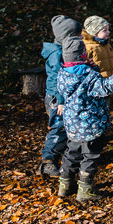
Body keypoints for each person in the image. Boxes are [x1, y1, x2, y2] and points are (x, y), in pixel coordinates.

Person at [57, 35, 113, 203]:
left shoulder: (62, 73)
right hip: (91, 125)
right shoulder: (88, 76)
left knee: (72, 152)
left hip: (73, 125)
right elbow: (105, 88)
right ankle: (85, 189)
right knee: (90, 156)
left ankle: (64, 184)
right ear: (83, 55)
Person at [38, 15, 82, 179]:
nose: (81, 37)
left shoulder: (62, 51)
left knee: (66, 128)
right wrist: (61, 101)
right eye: (78, 35)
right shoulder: (57, 54)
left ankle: (61, 158)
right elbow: (58, 80)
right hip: (58, 99)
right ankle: (48, 162)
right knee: (59, 129)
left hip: (62, 97)